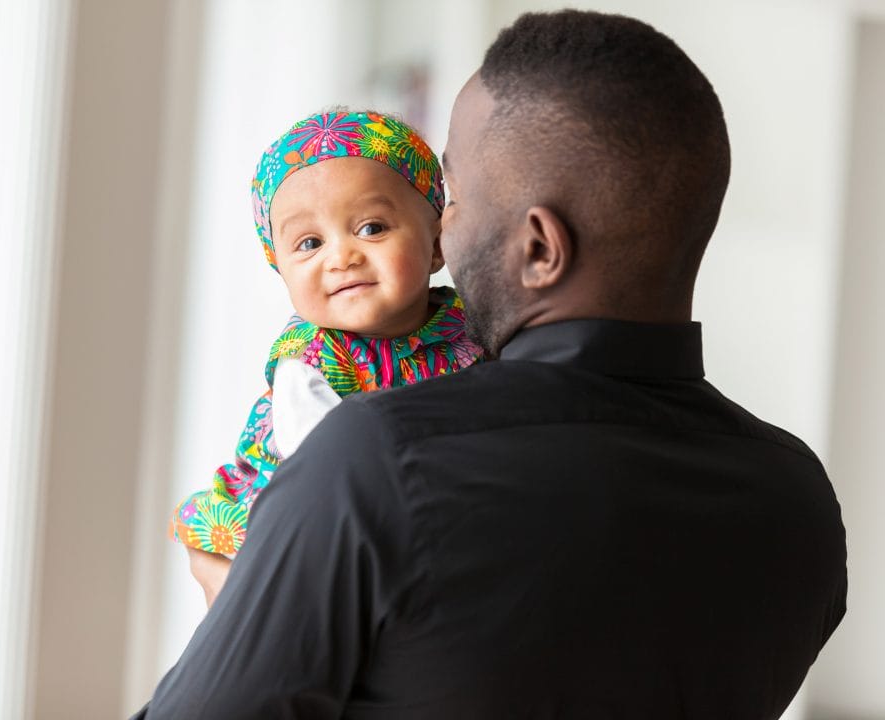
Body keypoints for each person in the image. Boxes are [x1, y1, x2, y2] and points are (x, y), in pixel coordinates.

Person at [134, 10, 846, 719]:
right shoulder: (799, 503)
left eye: (455, 198)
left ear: (540, 247)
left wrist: (249, 619)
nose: (443, 225)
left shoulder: (374, 461)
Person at [170, 109, 483, 607]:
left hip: (414, 504)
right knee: (285, 589)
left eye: (372, 228)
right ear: (281, 267)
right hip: (301, 503)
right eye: (310, 243)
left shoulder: (466, 326)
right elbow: (327, 466)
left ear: (437, 244)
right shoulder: (311, 361)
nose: (342, 257)